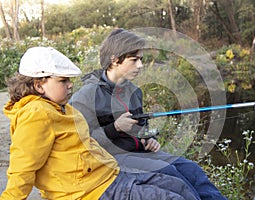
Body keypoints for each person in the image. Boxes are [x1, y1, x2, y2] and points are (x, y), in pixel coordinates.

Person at [0, 46, 201, 200]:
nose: (70, 85)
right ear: (38, 85)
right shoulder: (35, 114)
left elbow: (87, 144)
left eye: (70, 80)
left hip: (111, 175)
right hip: (92, 191)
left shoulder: (64, 108)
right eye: (63, 81)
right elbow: (22, 169)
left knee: (177, 186)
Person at [70, 28, 227, 200]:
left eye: (141, 60)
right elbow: (80, 144)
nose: (140, 65)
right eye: (134, 60)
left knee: (191, 169)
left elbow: (141, 130)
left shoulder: (135, 92)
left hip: (139, 152)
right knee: (169, 172)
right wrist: (114, 128)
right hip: (111, 157)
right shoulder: (86, 96)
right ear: (115, 60)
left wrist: (149, 140)